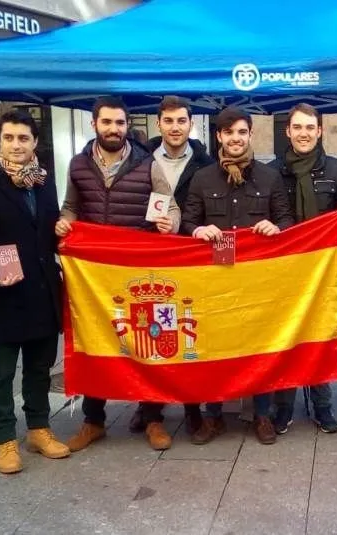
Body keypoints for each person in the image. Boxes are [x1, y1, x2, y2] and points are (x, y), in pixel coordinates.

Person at [58, 96, 181, 453]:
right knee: (95, 340)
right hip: (95, 274)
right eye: (107, 122)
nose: (114, 129)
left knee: (147, 340)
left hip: (138, 270)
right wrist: (64, 223)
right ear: (94, 124)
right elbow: (71, 206)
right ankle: (93, 420)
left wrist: (169, 224)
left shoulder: (148, 164)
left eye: (120, 123)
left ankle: (152, 417)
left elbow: (170, 206)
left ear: (128, 125)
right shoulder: (79, 164)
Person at [0, 109, 69, 475]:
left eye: (23, 138)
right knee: (2, 372)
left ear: (35, 142)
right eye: (9, 138)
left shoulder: (44, 181)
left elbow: (47, 231)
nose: (16, 145)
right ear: (0, 140)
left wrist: (62, 229)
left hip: (42, 291)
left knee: (39, 368)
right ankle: (5, 438)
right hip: (3, 295)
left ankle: (38, 428)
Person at [180, 106, 294, 445]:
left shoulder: (269, 177)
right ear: (219, 136)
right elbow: (187, 221)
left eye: (242, 132)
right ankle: (213, 415)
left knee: (260, 348)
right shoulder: (202, 178)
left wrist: (276, 226)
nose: (236, 138)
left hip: (258, 282)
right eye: (229, 132)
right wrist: (198, 230)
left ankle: (262, 414)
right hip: (216, 281)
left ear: (250, 134)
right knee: (215, 349)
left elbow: (287, 219)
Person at [268, 103, 337, 434]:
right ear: (288, 131)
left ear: (319, 131)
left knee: (320, 336)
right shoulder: (272, 171)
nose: (303, 133)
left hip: (320, 272)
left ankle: (323, 406)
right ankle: (284, 407)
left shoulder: (336, 170)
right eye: (298, 127)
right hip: (284, 271)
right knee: (286, 337)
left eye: (310, 127)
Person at [128, 96, 216, 436]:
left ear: (190, 124)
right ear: (159, 123)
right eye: (169, 121)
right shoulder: (140, 160)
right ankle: (150, 407)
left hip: (190, 259)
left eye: (181, 121)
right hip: (149, 256)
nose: (175, 127)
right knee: (151, 331)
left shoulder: (206, 163)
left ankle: (193, 408)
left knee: (188, 333)